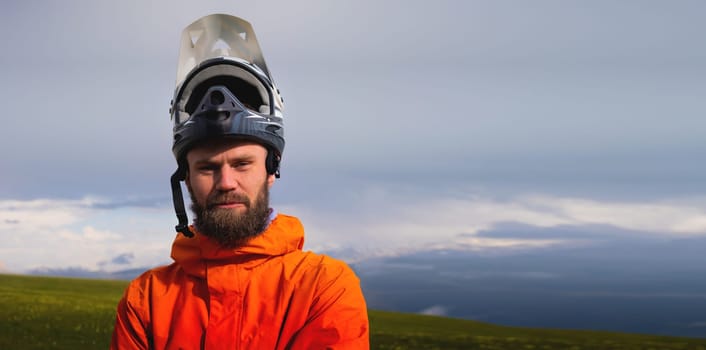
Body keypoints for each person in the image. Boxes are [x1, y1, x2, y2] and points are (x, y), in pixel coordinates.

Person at [111, 14, 369, 349]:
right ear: (185, 178)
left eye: (242, 164)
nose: (226, 182)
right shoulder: (145, 299)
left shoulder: (323, 286)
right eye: (207, 168)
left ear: (272, 169)